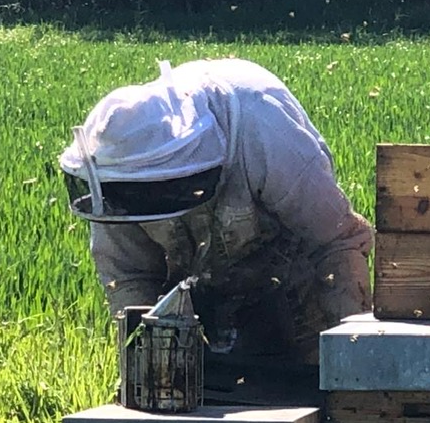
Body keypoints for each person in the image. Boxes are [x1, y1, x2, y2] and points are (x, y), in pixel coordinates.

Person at [58, 57, 372, 369]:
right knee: (196, 377)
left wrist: (351, 360)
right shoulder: (117, 176)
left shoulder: (263, 130)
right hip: (197, 277)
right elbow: (129, 278)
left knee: (311, 372)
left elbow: (337, 240)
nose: (138, 204)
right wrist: (148, 364)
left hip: (288, 261)